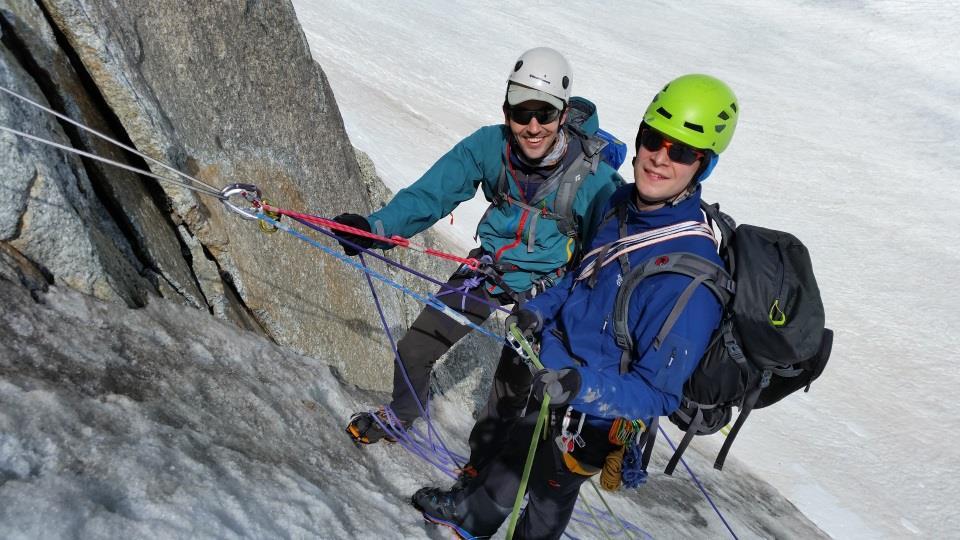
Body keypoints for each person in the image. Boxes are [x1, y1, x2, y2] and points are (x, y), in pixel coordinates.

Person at [411, 74, 740, 539]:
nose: (659, 158)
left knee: (549, 494)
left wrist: (579, 386)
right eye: (653, 139)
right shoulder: (621, 204)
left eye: (682, 151)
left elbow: (659, 393)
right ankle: (472, 519)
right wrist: (540, 309)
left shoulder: (690, 278)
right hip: (556, 377)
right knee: (513, 453)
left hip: (595, 416)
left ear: (702, 166)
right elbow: (580, 275)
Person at [333, 47, 623, 473]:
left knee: (511, 389)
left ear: (562, 115)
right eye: (522, 113)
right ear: (507, 111)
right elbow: (433, 192)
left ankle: (481, 474)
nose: (533, 126)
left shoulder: (595, 180)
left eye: (545, 113)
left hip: (549, 291)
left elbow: (607, 255)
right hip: (492, 268)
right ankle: (401, 415)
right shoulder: (491, 146)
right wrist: (375, 230)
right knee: (416, 349)